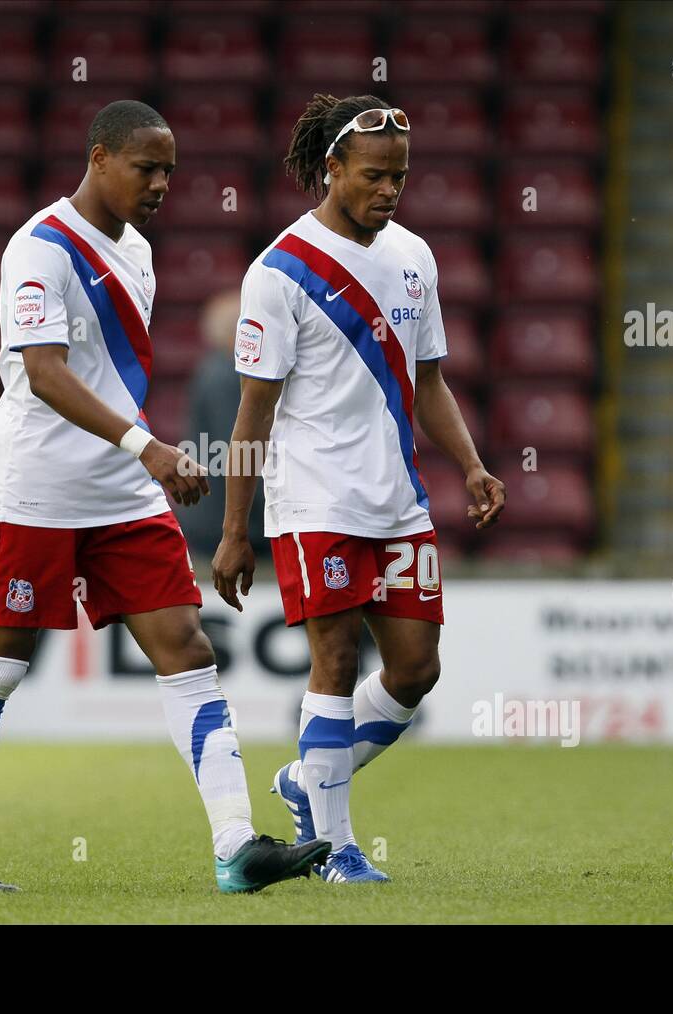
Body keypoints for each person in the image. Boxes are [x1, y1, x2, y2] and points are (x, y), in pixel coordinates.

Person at [0, 100, 329, 894]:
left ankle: (237, 847)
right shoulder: (38, 248)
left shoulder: (139, 250)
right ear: (100, 156)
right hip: (37, 487)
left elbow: (108, 375)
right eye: (147, 167)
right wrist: (147, 446)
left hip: (121, 488)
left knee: (187, 648)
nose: (161, 184)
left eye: (170, 171)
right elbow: (43, 373)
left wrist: (138, 455)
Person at [212, 94, 506, 884]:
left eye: (400, 179)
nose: (389, 191)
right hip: (316, 501)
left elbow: (429, 380)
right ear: (331, 169)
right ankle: (339, 849)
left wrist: (471, 464)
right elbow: (253, 415)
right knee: (334, 662)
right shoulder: (278, 273)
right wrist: (238, 528)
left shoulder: (415, 257)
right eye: (375, 176)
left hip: (399, 501)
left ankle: (306, 783)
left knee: (415, 671)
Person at [182, 289, 267, 560]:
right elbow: (242, 450)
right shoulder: (227, 376)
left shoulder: (212, 370)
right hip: (230, 526)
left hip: (210, 520)